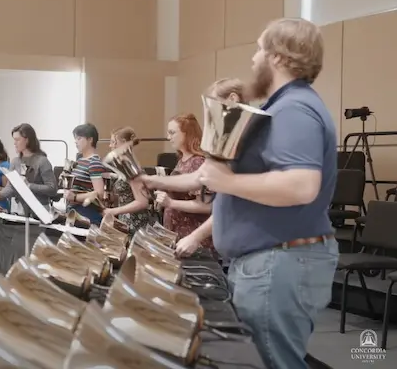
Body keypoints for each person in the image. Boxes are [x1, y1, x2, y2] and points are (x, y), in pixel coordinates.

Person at [143, 18, 339, 369]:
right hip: (269, 261)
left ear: (278, 57)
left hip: (278, 261)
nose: (253, 59)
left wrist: (227, 183)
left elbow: (301, 185)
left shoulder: (293, 108)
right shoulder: (283, 106)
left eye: (259, 49)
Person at [151, 112, 215, 256]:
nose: (168, 137)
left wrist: (171, 203)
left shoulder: (198, 162)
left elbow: (207, 206)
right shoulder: (182, 160)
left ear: (187, 134)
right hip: (180, 238)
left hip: (195, 243)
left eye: (172, 133)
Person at [0, 123, 57, 213]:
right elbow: (11, 187)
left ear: (27, 140)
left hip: (38, 210)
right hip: (18, 209)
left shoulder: (42, 161)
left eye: (17, 140)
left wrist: (29, 186)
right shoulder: (15, 161)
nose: (14, 143)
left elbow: (52, 188)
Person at [101, 127, 155, 234]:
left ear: (124, 143)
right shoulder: (125, 166)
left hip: (136, 224)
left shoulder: (131, 168)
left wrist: (114, 211)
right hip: (126, 222)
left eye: (113, 142)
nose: (110, 145)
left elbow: (142, 202)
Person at [63, 124, 106, 225]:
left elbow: (99, 193)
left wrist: (75, 197)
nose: (76, 142)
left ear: (90, 139)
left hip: (86, 212)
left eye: (79, 138)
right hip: (75, 210)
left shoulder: (94, 162)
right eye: (75, 139)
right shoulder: (80, 161)